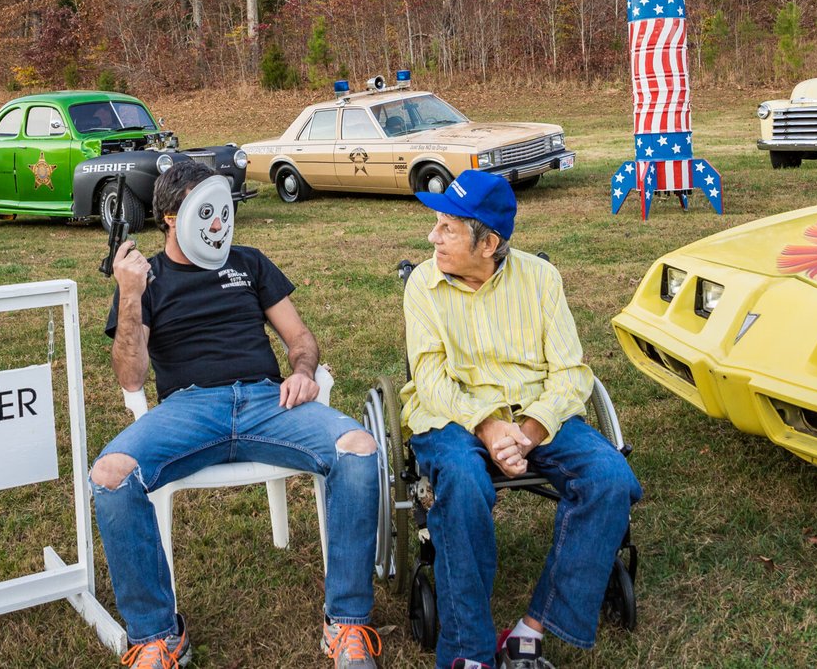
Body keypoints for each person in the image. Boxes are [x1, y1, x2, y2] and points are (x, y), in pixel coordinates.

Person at [89, 160, 383, 669]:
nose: (219, 225)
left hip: (270, 401)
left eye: (222, 211)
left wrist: (304, 371)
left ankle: (348, 625)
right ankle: (158, 636)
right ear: (169, 217)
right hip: (190, 407)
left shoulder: (247, 262)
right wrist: (131, 294)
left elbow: (300, 339)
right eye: (205, 213)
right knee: (110, 476)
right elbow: (131, 378)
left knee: (358, 448)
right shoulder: (147, 278)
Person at [400, 170, 642, 669]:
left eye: (447, 228)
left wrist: (529, 431)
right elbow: (431, 380)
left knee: (610, 478)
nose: (433, 237)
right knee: (464, 482)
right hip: (452, 414)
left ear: (488, 243)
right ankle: (469, 654)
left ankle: (530, 633)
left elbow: (572, 373)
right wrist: (489, 427)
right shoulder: (424, 285)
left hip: (536, 411)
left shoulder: (540, 278)